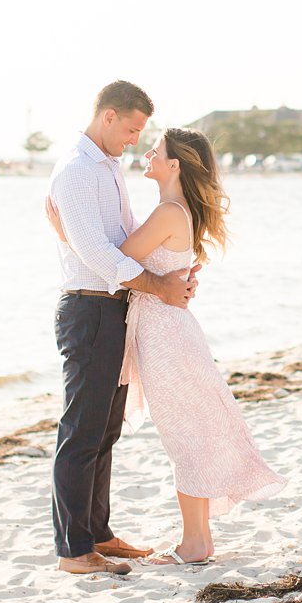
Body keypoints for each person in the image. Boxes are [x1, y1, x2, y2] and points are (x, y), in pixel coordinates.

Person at [46, 127, 285, 566]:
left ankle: (196, 542)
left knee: (184, 433)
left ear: (174, 165)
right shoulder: (171, 210)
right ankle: (196, 538)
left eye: (156, 150)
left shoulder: (168, 213)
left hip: (165, 336)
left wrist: (66, 234)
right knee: (186, 431)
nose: (147, 152)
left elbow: (114, 256)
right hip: (164, 329)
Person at [47, 80, 200, 576]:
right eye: (132, 128)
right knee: (81, 430)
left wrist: (173, 273)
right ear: (108, 116)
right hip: (89, 309)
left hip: (114, 309)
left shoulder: (107, 168)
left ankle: (99, 534)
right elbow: (97, 254)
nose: (136, 140)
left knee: (105, 429)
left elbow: (122, 240)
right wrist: (160, 286)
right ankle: (74, 550)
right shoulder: (76, 171)